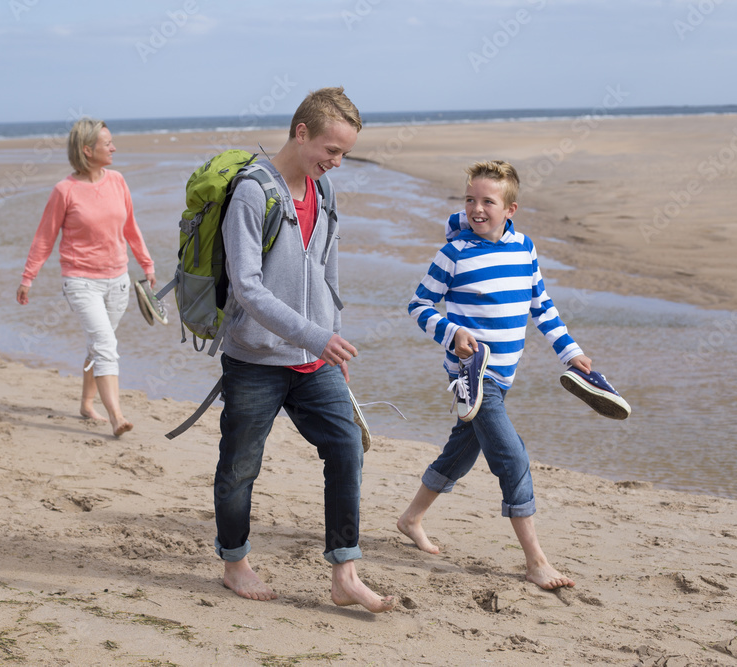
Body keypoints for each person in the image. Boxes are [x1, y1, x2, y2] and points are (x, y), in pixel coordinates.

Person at [213, 87, 394, 613]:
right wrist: (316, 334)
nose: (336, 163)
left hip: (315, 361)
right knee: (241, 466)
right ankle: (236, 564)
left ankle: (345, 573)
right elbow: (247, 287)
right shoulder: (253, 192)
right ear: (301, 133)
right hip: (255, 359)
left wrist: (329, 331)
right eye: (331, 150)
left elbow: (326, 271)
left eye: (344, 154)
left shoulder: (324, 191)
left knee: (346, 446)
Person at [397, 159, 590, 590]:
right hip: (471, 376)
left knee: (461, 452)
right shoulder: (454, 254)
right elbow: (418, 306)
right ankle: (536, 561)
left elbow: (541, 305)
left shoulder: (524, 249)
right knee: (512, 458)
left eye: (488, 201)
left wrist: (569, 351)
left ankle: (411, 518)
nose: (476, 209)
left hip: (503, 377)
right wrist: (451, 331)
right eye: (469, 199)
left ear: (511, 209)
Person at [17, 118, 155, 437]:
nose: (114, 148)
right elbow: (44, 238)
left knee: (99, 344)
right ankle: (117, 415)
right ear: (87, 150)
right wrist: (28, 277)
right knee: (106, 344)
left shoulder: (118, 181)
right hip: (81, 281)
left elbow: (131, 228)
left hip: (118, 280)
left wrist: (146, 265)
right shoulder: (64, 191)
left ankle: (86, 403)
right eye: (108, 143)